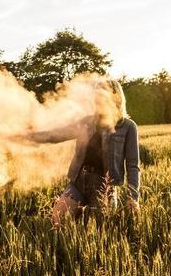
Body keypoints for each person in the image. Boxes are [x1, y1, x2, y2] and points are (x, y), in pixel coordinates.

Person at [11, 79, 141, 225]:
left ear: (115, 97)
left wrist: (133, 198)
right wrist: (23, 136)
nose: (97, 100)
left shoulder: (127, 127)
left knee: (99, 232)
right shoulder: (86, 121)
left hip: (104, 187)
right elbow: (54, 135)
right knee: (58, 221)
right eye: (96, 96)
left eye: (102, 96)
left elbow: (132, 166)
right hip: (78, 181)